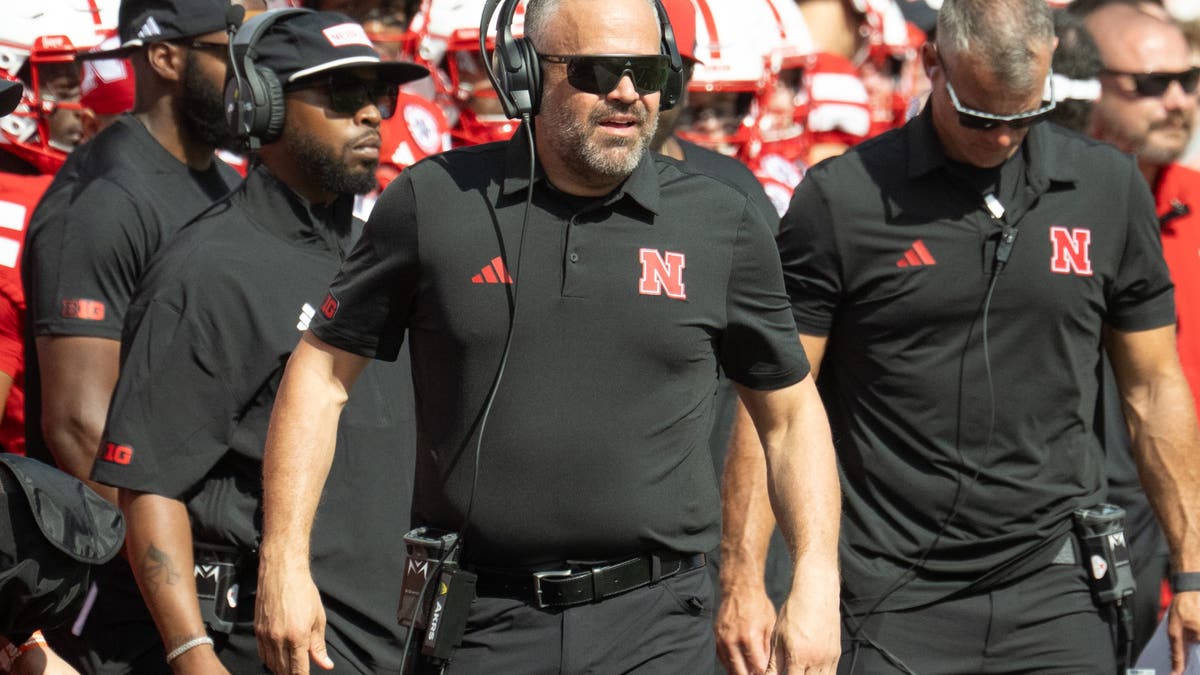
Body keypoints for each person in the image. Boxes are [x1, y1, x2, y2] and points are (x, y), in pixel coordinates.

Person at [254, 0, 842, 673]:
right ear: (524, 73)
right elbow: (321, 376)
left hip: (659, 626)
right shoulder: (432, 203)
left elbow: (791, 418)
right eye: (597, 70)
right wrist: (284, 561)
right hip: (477, 624)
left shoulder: (724, 223)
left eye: (646, 71)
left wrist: (816, 577)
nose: (627, 92)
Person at [718, 0, 1200, 673]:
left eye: (1023, 115)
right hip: (890, 593)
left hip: (1055, 589)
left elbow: (1153, 384)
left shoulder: (1107, 188)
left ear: (1049, 73)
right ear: (931, 64)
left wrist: (1194, 567)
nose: (1001, 137)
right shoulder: (841, 200)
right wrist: (745, 581)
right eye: (980, 115)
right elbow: (774, 402)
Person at [89, 10, 426, 672]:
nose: (369, 115)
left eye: (378, 95)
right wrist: (191, 652)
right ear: (262, 107)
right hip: (267, 645)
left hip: (388, 642)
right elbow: (148, 486)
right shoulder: (208, 269)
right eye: (342, 95)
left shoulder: (377, 258)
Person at [21, 0, 245, 671]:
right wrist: (181, 593)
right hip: (131, 603)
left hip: (215, 576)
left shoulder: (227, 183)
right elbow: (80, 430)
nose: (255, 67)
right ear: (166, 56)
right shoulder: (104, 199)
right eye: (233, 46)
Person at [1082, 1, 1200, 656]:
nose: (1178, 100)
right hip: (1088, 581)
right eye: (1152, 84)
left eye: (1189, 80)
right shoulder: (1053, 221)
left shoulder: (1195, 199)